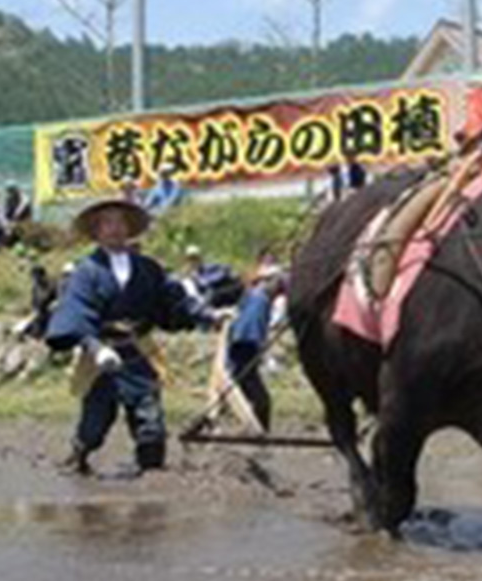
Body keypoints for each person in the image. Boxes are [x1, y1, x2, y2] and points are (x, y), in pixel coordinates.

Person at [46, 198, 221, 476]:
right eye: (107, 223)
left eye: (120, 222)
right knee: (95, 422)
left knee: (150, 419)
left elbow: (174, 300)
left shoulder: (148, 268)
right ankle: (78, 456)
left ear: (130, 229)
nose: (115, 229)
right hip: (101, 356)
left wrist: (207, 315)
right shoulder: (86, 271)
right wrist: (95, 347)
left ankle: (151, 472)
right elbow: (75, 311)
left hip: (139, 351)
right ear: (97, 230)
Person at [223, 264, 286, 432]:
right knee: (261, 399)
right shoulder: (260, 300)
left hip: (241, 350)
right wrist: (260, 350)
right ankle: (259, 431)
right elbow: (249, 331)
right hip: (244, 351)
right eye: (278, 283)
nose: (279, 289)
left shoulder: (254, 296)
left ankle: (254, 429)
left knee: (253, 397)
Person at [21, 264, 58, 340]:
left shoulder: (53, 284)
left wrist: (55, 303)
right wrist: (34, 310)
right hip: (40, 313)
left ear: (42, 275)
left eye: (36, 277)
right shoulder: (35, 287)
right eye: (34, 277)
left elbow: (60, 297)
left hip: (53, 311)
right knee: (31, 327)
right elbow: (34, 302)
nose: (35, 279)